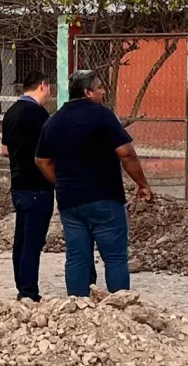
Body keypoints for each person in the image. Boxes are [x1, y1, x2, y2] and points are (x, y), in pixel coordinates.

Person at [34, 68, 152, 298]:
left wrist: (61, 183)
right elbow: (126, 153)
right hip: (104, 198)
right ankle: (121, 307)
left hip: (70, 201)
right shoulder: (103, 115)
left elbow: (41, 160)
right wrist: (142, 184)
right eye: (99, 88)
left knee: (77, 257)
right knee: (115, 257)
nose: (103, 91)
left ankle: (79, 310)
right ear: (87, 92)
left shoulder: (54, 121)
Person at [0, 74, 56, 301]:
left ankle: (21, 284)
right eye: (49, 87)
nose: (50, 93)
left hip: (18, 184)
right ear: (43, 85)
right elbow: (49, 151)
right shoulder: (39, 115)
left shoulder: (11, 112)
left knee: (21, 239)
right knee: (33, 241)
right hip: (38, 185)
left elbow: (4, 150)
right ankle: (29, 292)